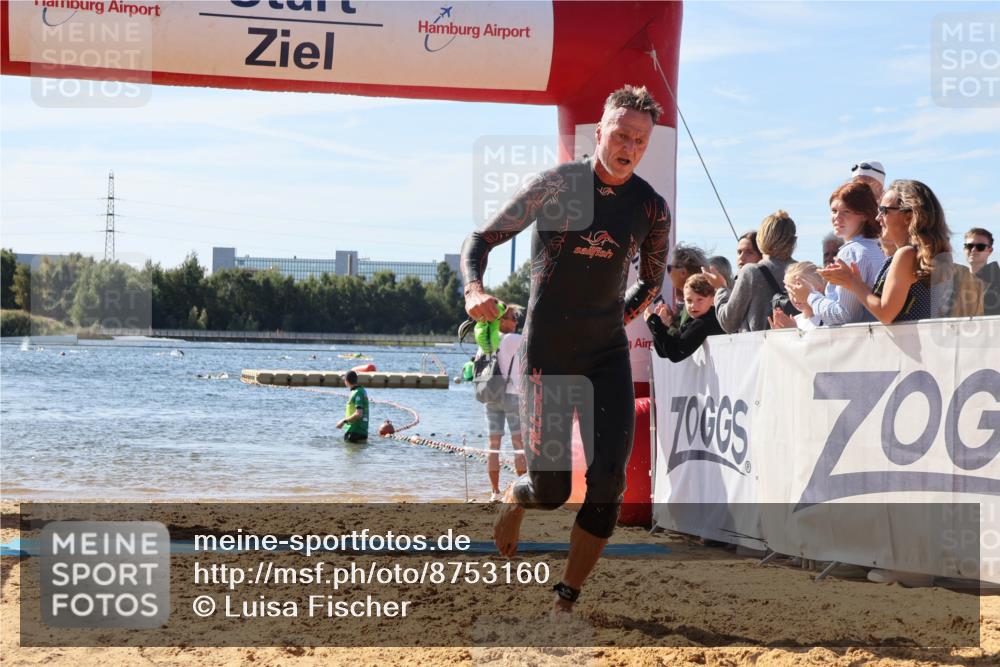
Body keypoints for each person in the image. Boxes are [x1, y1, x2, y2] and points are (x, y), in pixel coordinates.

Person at [461, 84, 669, 613]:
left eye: (640, 140)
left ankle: (566, 595)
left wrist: (610, 320)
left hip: (605, 355)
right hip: (546, 355)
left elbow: (651, 282)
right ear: (599, 133)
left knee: (609, 480)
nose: (629, 146)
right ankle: (517, 494)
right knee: (552, 489)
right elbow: (480, 240)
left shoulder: (650, 207)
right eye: (621, 134)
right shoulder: (558, 184)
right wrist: (474, 289)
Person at [820, 179, 948, 324]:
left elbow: (885, 313)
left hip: (904, 344)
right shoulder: (924, 254)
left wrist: (852, 282)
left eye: (883, 210)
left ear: (908, 216)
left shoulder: (906, 255)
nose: (877, 217)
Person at [789, 182, 885, 325]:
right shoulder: (879, 247)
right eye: (834, 211)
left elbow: (844, 316)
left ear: (864, 215)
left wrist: (809, 296)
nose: (837, 217)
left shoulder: (851, 251)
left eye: (846, 211)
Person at [704, 210, 797, 332]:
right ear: (793, 241)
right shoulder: (805, 270)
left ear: (760, 240)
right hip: (798, 347)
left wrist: (721, 289)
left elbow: (728, 322)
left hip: (761, 348)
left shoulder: (751, 272)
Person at [484, 304, 528, 501]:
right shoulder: (512, 339)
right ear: (501, 320)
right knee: (518, 442)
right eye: (512, 318)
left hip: (491, 395)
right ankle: (523, 491)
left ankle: (494, 492)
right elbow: (535, 339)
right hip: (512, 395)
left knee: (494, 444)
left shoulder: (485, 340)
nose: (516, 322)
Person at [644, 273, 724, 362]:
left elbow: (676, 353)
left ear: (712, 299)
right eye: (689, 300)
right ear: (684, 300)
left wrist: (654, 323)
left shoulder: (705, 322)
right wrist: (662, 324)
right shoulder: (693, 320)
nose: (693, 305)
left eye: (700, 299)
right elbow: (663, 352)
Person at [769, 261, 825, 331]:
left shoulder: (828, 319)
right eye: (790, 291)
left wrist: (793, 332)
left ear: (819, 289)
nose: (794, 295)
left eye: (798, 290)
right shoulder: (795, 320)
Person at [965, 227, 1000, 316]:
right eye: (969, 246)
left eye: (980, 247)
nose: (973, 250)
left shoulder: (997, 282)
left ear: (990, 250)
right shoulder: (953, 281)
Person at [336, 370, 369, 442]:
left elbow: (359, 414)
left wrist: (343, 421)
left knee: (349, 452)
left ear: (346, 381)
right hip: (360, 432)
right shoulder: (361, 390)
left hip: (354, 432)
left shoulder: (357, 392)